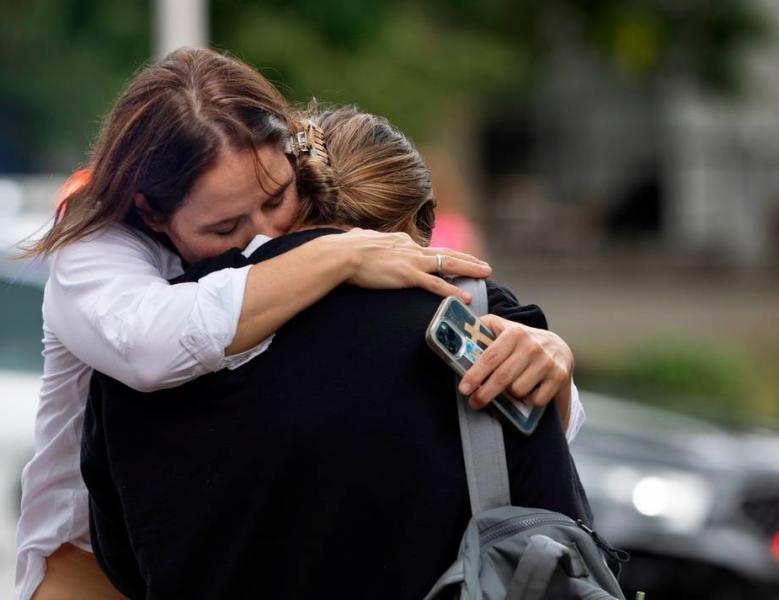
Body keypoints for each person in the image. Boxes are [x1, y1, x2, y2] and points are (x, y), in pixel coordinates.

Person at [15, 48, 500, 600]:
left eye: (276, 199)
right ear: (151, 212)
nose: (262, 237)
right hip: (91, 577)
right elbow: (152, 347)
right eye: (225, 227)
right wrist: (335, 256)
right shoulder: (96, 252)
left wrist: (540, 352)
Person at [81, 107, 591, 599]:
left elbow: (124, 562)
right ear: (421, 220)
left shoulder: (159, 339)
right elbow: (558, 536)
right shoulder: (488, 331)